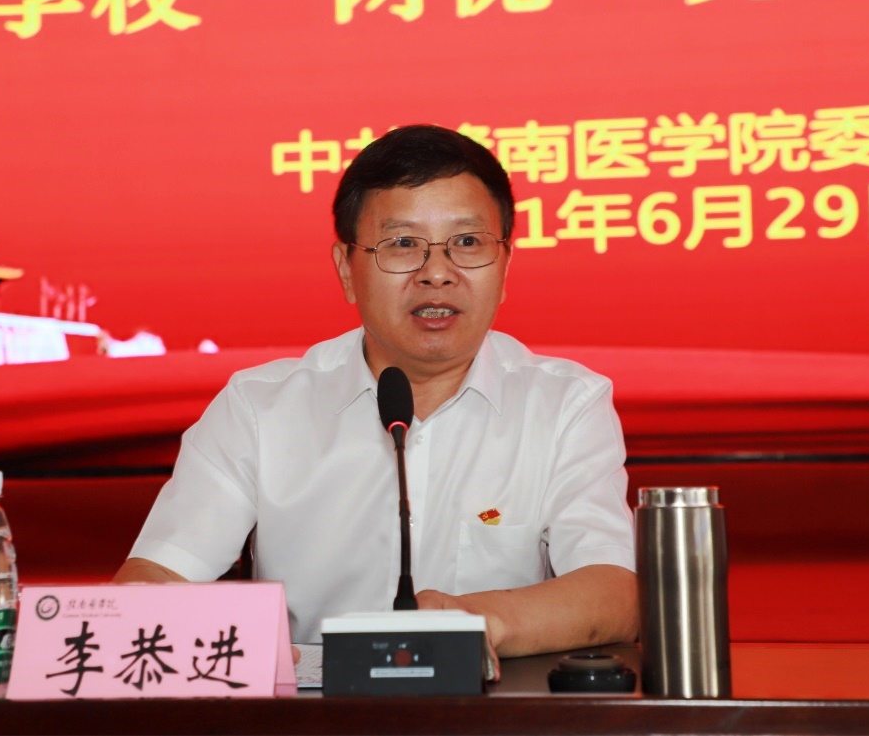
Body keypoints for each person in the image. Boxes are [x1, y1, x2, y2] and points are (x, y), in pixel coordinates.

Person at [115, 125, 637, 657]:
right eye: (403, 244)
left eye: (467, 242)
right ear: (346, 269)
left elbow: (614, 594)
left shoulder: (566, 405)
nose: (438, 273)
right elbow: (156, 577)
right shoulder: (259, 408)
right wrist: (240, 646)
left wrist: (475, 624)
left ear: (505, 267)